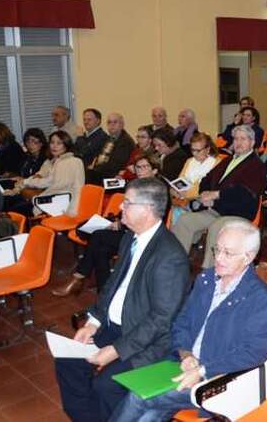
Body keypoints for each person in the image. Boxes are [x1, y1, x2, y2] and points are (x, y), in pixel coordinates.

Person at [109, 218, 267, 422]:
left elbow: (255, 352)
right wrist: (186, 354)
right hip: (183, 365)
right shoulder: (206, 280)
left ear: (248, 257)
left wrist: (203, 370)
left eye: (228, 253)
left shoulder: (260, 300)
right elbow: (182, 323)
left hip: (219, 379)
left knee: (138, 396)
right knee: (149, 414)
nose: (219, 258)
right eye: (217, 249)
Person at [54, 178, 191, 422]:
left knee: (106, 385)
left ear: (147, 210)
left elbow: (160, 321)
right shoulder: (131, 237)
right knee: (68, 361)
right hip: (116, 326)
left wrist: (117, 350)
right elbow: (111, 286)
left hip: (148, 341)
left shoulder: (170, 257)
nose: (120, 207)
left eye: (127, 203)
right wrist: (93, 323)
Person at [52, 154, 162, 296]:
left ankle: (78, 277)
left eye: (145, 167)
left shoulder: (158, 191)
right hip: (125, 228)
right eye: (138, 167)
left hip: (140, 235)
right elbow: (125, 209)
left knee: (97, 236)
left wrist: (122, 225)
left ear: (155, 170)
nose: (140, 170)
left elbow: (150, 219)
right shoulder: (135, 185)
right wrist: (116, 221)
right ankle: (104, 292)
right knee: (99, 247)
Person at [171, 125, 266, 268]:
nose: (238, 142)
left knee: (217, 228)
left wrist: (216, 195)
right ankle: (175, 265)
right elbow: (206, 179)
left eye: (243, 139)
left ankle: (209, 272)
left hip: (238, 213)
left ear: (252, 142)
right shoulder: (227, 160)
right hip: (216, 209)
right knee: (184, 220)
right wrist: (204, 194)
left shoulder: (256, 165)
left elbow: (244, 194)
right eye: (236, 139)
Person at [20, 131, 85, 216]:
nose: (54, 146)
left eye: (59, 143)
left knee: (19, 208)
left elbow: (49, 182)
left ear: (66, 145)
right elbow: (42, 176)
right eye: (52, 142)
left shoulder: (67, 162)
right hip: (62, 201)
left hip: (62, 204)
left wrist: (26, 182)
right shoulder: (59, 160)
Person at [169, 133, 220, 226]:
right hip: (183, 200)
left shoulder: (216, 163)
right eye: (192, 150)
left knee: (177, 214)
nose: (194, 154)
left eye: (198, 150)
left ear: (208, 149)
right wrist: (174, 190)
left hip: (201, 203)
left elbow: (209, 188)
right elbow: (180, 180)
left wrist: (187, 194)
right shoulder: (189, 161)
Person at [85, 113, 135, 185]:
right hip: (103, 174)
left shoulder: (126, 141)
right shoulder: (108, 139)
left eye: (115, 122)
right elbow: (99, 156)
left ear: (122, 124)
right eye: (109, 122)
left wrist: (96, 169)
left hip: (116, 179)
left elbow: (116, 165)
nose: (112, 125)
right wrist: (94, 165)